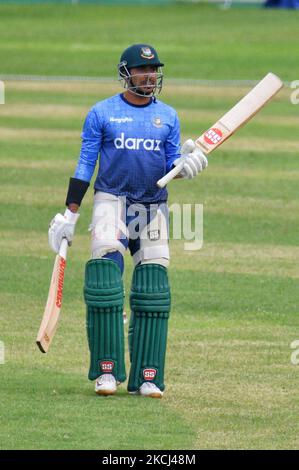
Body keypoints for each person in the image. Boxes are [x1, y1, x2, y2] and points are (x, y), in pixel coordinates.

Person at [48, 44, 208, 398]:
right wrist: (70, 212)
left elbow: (171, 168)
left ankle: (147, 376)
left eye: (154, 71)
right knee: (105, 283)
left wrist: (186, 165)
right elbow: (85, 165)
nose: (150, 77)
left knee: (153, 290)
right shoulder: (102, 112)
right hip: (111, 202)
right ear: (126, 73)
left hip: (153, 205)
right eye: (142, 70)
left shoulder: (167, 116)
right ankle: (106, 372)